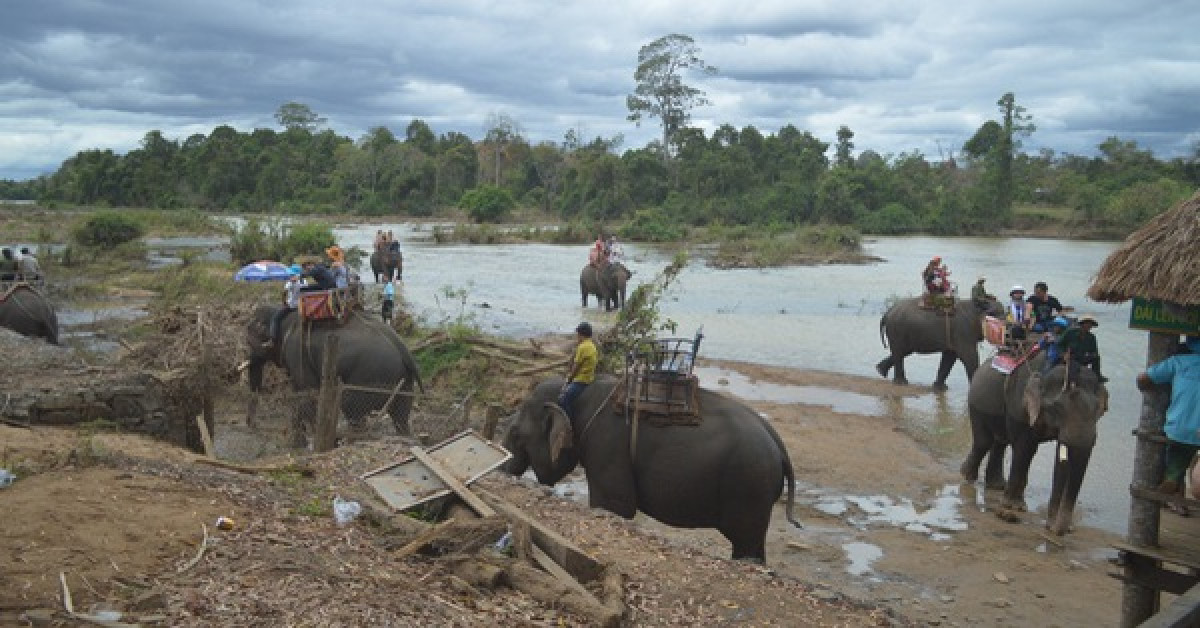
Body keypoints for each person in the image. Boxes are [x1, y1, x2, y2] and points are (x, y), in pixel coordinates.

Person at [1136, 335, 1200, 497]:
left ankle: (1172, 477)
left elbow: (1143, 378)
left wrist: (1143, 387)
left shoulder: (1179, 362)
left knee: (1178, 452)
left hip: (1179, 428)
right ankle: (1176, 482)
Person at [558, 322, 598, 420]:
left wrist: (569, 378)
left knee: (563, 399)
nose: (577, 337)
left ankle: (569, 422)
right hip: (590, 377)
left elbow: (575, 367)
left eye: (578, 334)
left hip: (581, 380)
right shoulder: (592, 346)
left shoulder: (582, 347)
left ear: (581, 335)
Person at [1058, 314, 1106, 382]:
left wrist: (1091, 355)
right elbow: (1060, 344)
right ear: (1082, 324)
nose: (1089, 326)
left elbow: (1094, 351)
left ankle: (1097, 375)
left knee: (1096, 357)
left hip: (1082, 357)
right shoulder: (1070, 332)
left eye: (1090, 324)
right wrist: (1064, 354)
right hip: (1071, 357)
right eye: (1087, 323)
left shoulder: (1091, 337)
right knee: (1074, 368)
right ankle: (1072, 383)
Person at [265, 270, 303, 348]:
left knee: (275, 319)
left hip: (292, 306)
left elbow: (284, 293)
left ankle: (272, 340)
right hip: (301, 306)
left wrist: (284, 302)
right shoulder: (304, 281)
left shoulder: (290, 283)